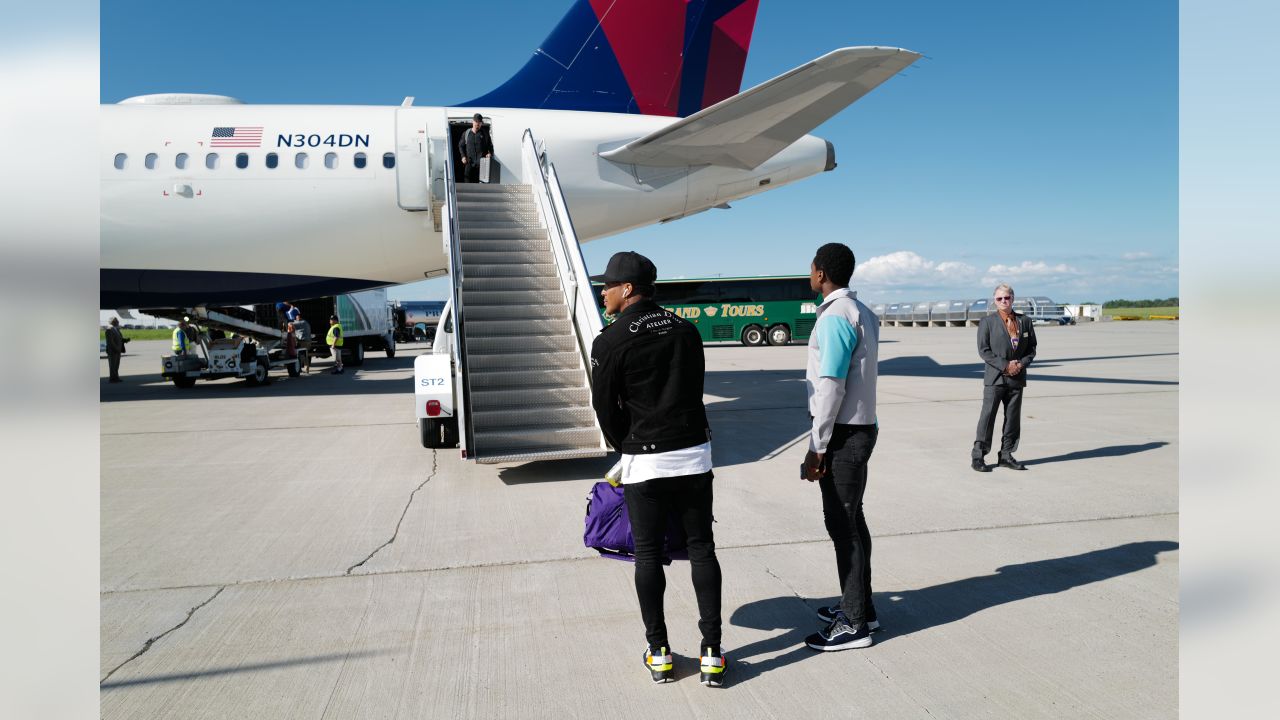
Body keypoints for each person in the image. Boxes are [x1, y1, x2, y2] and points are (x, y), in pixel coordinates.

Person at [588, 251, 726, 687]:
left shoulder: (609, 341)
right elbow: (695, 389)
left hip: (645, 459)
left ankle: (660, 653)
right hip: (693, 454)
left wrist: (624, 442)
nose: (603, 292)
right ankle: (712, 654)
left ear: (627, 289)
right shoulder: (686, 331)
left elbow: (604, 409)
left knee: (648, 555)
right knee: (702, 548)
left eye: (607, 285)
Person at [802, 242, 882, 652]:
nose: (810, 274)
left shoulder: (834, 316)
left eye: (812, 268)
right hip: (862, 428)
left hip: (842, 435)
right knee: (855, 521)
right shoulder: (862, 311)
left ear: (821, 273)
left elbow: (831, 385)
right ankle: (861, 607)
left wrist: (817, 446)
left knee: (843, 527)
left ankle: (853, 624)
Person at [971, 283, 1038, 472]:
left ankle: (1006, 455)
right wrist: (1005, 365)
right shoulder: (987, 322)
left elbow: (1032, 349)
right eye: (999, 298)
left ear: (1013, 299)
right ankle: (978, 456)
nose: (1003, 301)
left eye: (1006, 298)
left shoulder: (1025, 321)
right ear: (995, 300)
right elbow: (984, 351)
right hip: (995, 378)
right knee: (987, 418)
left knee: (1012, 419)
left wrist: (1020, 364)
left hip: (1016, 378)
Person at [457, 113, 493, 183]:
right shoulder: (466, 133)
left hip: (481, 165)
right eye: (476, 122)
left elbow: (490, 146)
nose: (478, 124)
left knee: (481, 185)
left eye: (479, 123)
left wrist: (490, 153)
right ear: (473, 122)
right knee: (467, 183)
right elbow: (460, 146)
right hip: (469, 163)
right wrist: (463, 156)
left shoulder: (485, 134)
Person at [105, 317, 126, 383]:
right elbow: (110, 342)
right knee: (112, 365)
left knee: (116, 365)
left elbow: (119, 338)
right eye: (116, 321)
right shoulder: (109, 329)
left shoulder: (116, 329)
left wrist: (125, 340)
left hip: (117, 350)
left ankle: (116, 377)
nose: (118, 322)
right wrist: (116, 348)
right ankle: (112, 378)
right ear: (113, 322)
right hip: (112, 351)